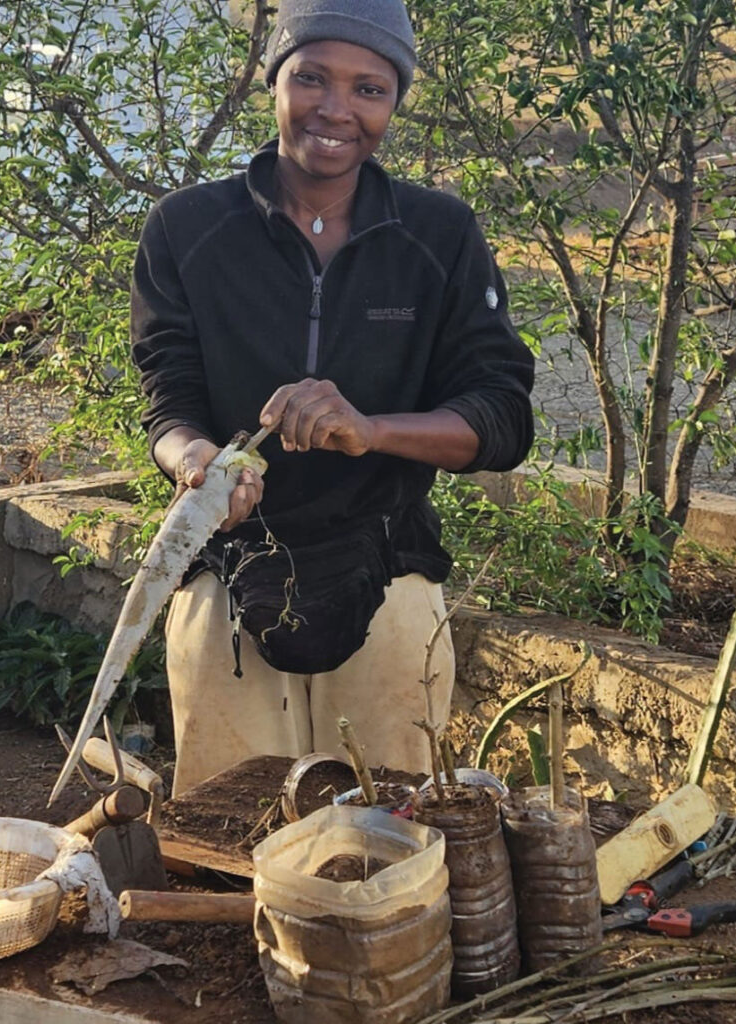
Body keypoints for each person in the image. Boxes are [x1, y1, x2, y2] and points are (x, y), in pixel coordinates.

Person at [130, 0, 535, 796]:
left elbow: (502, 415)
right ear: (272, 81)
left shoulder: (440, 235)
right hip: (226, 578)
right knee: (232, 834)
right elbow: (164, 399)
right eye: (311, 78)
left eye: (369, 88)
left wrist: (371, 428)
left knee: (388, 844)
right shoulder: (186, 229)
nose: (337, 109)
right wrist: (199, 463)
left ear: (394, 102)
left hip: (390, 578)